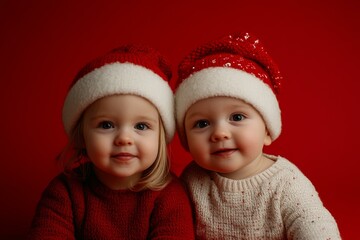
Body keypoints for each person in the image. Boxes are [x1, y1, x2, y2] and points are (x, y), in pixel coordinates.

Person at [175, 32, 341, 239]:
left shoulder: (286, 182)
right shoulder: (192, 179)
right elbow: (173, 226)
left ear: (267, 132)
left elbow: (314, 224)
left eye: (237, 117)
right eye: (202, 123)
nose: (219, 133)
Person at [27, 44, 195, 239]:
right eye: (106, 125)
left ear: (161, 137)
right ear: (81, 136)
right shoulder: (65, 191)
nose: (124, 139)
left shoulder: (169, 194)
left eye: (141, 126)